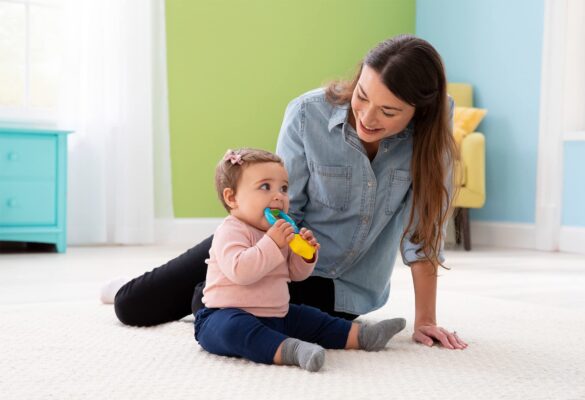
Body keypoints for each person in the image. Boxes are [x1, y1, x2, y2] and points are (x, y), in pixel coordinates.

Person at [106, 34, 467, 350]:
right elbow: (278, 211)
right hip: (266, 242)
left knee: (207, 297)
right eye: (362, 96)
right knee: (132, 306)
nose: (368, 117)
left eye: (388, 111)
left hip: (338, 285)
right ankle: (152, 288)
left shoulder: (432, 139)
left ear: (419, 113)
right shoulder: (308, 114)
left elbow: (423, 236)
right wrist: (251, 261)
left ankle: (205, 296)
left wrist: (425, 320)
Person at [193, 148, 406, 372]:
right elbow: (241, 271)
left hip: (276, 314)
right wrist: (273, 244)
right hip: (224, 315)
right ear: (231, 197)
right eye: (265, 187)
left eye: (284, 188)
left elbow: (296, 275)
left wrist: (305, 254)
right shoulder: (231, 230)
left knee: (311, 318)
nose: (279, 196)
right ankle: (291, 350)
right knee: (236, 330)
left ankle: (363, 336)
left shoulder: (279, 232)